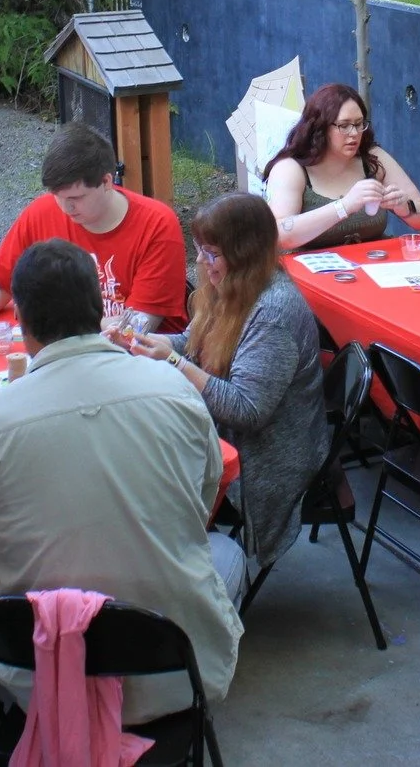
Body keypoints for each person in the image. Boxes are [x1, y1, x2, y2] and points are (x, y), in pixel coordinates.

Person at [0, 239, 245, 724]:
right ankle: (176, 725)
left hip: (44, 670)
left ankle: (27, 724)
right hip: (174, 663)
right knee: (229, 554)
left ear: (22, 323)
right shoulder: (173, 387)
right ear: (101, 312)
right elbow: (202, 501)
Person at [119, 193, 330, 573]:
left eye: (211, 253)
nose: (200, 261)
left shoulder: (273, 312)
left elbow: (248, 410)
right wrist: (163, 343)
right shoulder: (235, 286)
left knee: (145, 470)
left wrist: (172, 361)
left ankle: (170, 574)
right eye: (200, 250)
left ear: (244, 254)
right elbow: (198, 344)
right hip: (232, 432)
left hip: (269, 455)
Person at [0, 124, 187, 334]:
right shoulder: (41, 212)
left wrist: (56, 321)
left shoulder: (157, 225)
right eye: (57, 196)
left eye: (76, 197)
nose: (66, 207)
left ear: (106, 182)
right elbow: (0, 286)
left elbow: (135, 329)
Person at [264, 83, 420, 251]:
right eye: (344, 125)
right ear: (319, 128)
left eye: (359, 124)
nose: (354, 133)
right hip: (307, 273)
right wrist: (344, 206)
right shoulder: (291, 168)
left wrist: (405, 207)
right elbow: (277, 234)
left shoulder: (374, 159)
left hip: (373, 267)